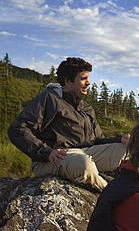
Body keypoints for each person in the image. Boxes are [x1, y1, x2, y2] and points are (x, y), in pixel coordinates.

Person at [8, 57, 129, 191]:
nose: (88, 83)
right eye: (83, 79)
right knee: (84, 164)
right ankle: (111, 193)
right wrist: (46, 152)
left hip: (85, 152)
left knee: (130, 148)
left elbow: (97, 140)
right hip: (53, 158)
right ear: (68, 81)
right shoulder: (49, 99)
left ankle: (138, 187)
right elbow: (17, 129)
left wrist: (120, 139)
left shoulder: (86, 108)